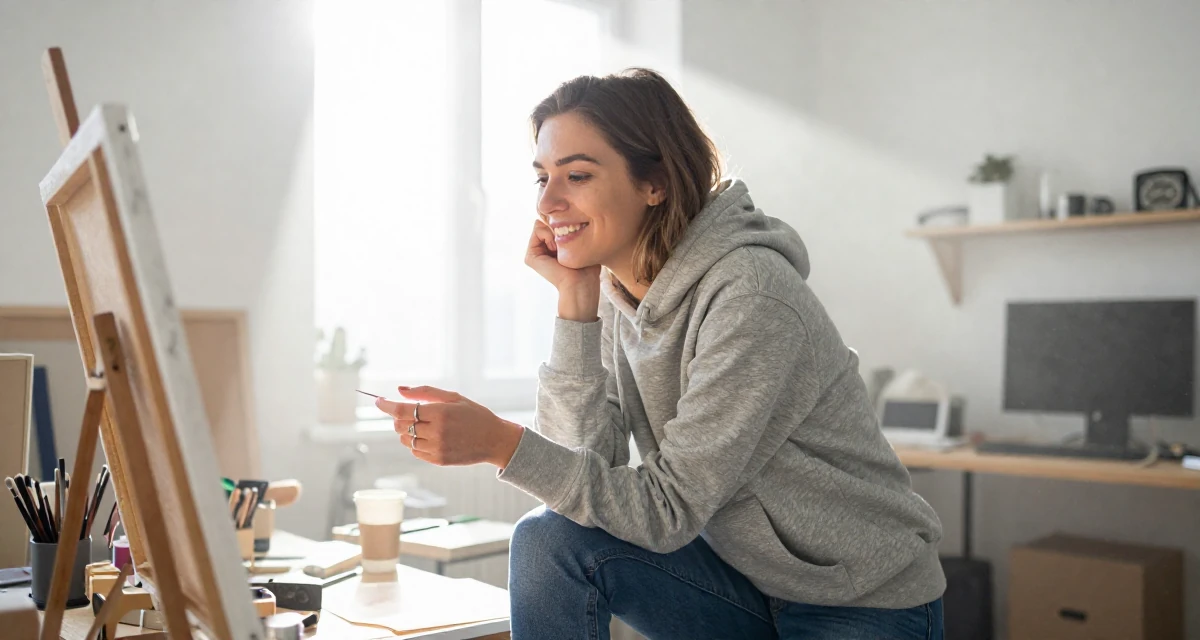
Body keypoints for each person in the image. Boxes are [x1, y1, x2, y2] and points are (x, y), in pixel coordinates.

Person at [374, 68, 946, 639]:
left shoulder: (751, 294)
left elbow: (665, 510)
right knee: (549, 537)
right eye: (542, 176)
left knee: (558, 528)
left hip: (859, 601)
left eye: (576, 174)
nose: (548, 201)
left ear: (656, 183)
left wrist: (500, 443)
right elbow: (585, 472)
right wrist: (575, 301)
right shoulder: (614, 290)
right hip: (745, 586)